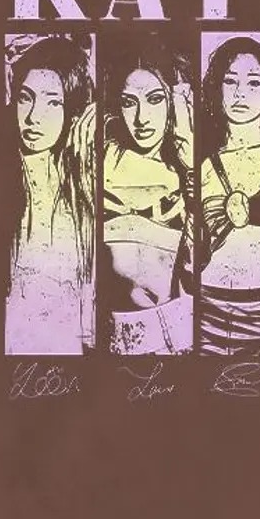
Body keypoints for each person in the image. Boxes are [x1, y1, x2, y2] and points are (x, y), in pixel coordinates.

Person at [196, 37, 260, 356]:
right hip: (206, 320)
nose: (240, 93)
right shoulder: (202, 163)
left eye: (254, 83)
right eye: (230, 81)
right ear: (218, 89)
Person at [3, 33, 96, 355]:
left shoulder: (81, 182)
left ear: (73, 111)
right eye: (25, 98)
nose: (33, 117)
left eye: (52, 102)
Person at [101, 43, 196, 354]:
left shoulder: (188, 168)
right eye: (130, 103)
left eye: (155, 100)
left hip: (176, 337)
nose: (142, 118)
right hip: (113, 339)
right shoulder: (100, 160)